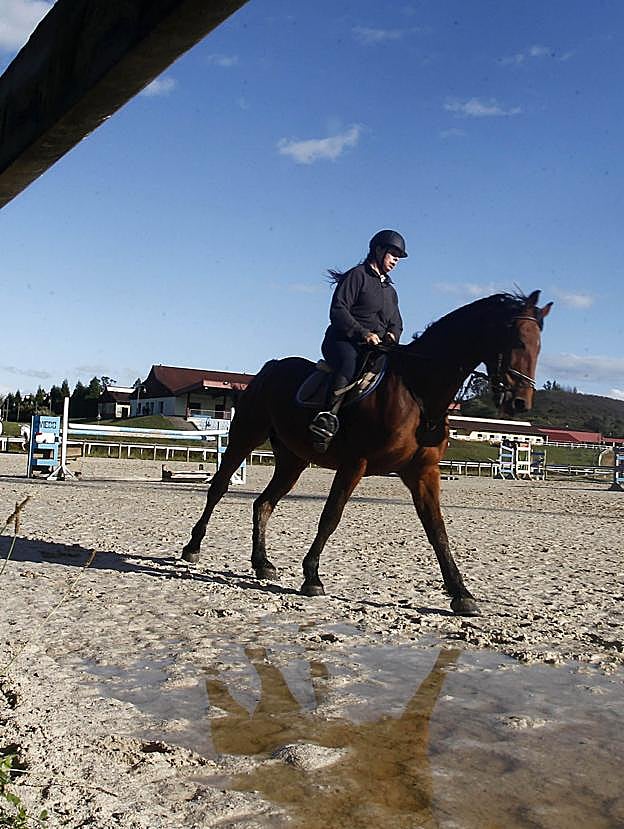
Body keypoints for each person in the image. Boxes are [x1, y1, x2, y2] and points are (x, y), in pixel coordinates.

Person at [309, 229, 407, 451]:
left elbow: (397, 322)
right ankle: (325, 420)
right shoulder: (357, 276)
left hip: (376, 348)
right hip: (343, 341)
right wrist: (363, 333)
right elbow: (338, 310)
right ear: (378, 250)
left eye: (398, 257)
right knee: (349, 363)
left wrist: (393, 335)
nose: (396, 261)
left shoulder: (390, 291)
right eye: (393, 254)